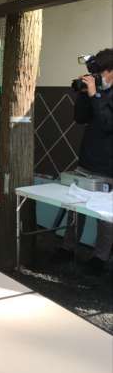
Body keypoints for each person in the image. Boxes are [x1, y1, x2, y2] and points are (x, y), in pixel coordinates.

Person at [58, 48, 113, 274]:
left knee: (104, 214)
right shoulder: (95, 90)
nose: (98, 76)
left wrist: (94, 96)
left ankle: (100, 257)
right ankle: (67, 247)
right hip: (87, 160)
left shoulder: (102, 94)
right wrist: (82, 93)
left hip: (107, 165)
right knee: (75, 206)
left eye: (101, 72)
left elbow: (108, 124)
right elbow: (80, 118)